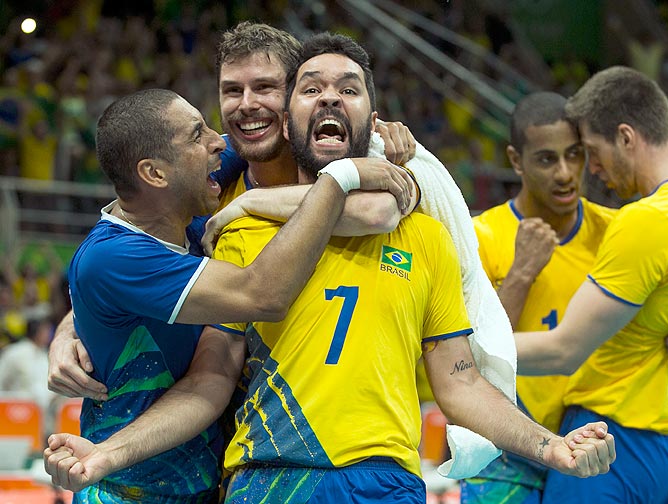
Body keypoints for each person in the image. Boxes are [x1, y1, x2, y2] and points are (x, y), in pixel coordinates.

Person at [45, 34, 616, 503]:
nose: (327, 99)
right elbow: (207, 374)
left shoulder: (421, 227)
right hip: (266, 477)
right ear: (293, 116)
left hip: (386, 482)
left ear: (376, 116)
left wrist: (551, 446)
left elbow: (461, 382)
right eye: (310, 89)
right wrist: (74, 327)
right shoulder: (230, 224)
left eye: (349, 89)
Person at [43, 87, 411, 503]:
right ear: (155, 174)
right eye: (197, 134)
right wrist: (341, 177)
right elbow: (264, 294)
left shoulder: (180, 206)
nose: (218, 142)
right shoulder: (116, 256)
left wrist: (380, 134)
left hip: (204, 488)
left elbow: (266, 134)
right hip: (127, 491)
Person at [47, 22, 419, 402]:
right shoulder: (207, 180)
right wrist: (69, 331)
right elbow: (114, 264)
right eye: (231, 91)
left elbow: (376, 209)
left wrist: (253, 202)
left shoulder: (365, 153)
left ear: (295, 97)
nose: (246, 104)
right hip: (227, 433)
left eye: (264, 87)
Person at [463, 91, 668, 503]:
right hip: (509, 454)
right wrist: (521, 273)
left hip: (596, 448)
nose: (566, 173)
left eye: (576, 154)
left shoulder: (620, 231)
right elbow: (464, 351)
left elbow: (663, 326)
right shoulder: (479, 237)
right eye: (547, 159)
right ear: (516, 161)